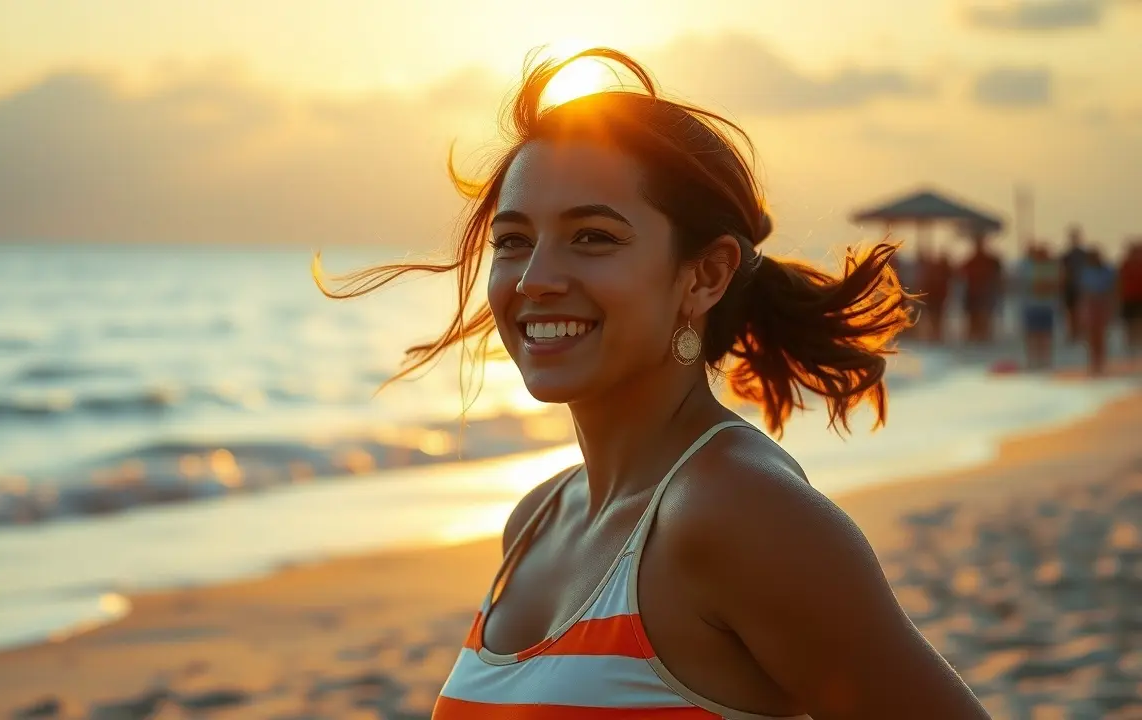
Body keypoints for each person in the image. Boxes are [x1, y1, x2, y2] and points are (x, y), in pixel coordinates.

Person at [316, 48, 989, 719]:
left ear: (705, 275)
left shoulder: (740, 512)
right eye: (514, 241)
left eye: (592, 238)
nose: (534, 278)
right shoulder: (536, 520)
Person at [1014, 243, 1061, 369]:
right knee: (1032, 334)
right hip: (1032, 306)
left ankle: (1044, 360)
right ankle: (1032, 360)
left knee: (1044, 334)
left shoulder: (1051, 267)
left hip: (1045, 306)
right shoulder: (1028, 267)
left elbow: (1055, 284)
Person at [1078, 248, 1116, 375]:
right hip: (1090, 304)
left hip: (1102, 303)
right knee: (1091, 336)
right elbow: (1084, 291)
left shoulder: (1106, 271)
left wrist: (1111, 305)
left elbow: (1112, 288)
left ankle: (1101, 362)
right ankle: (1094, 363)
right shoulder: (1086, 272)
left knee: (1101, 335)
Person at [1060, 225, 1091, 343]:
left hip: (1081, 286)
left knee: (1080, 311)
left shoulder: (1084, 254)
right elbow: (1063, 271)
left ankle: (1078, 333)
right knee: (1071, 312)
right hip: (1070, 286)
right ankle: (1073, 333)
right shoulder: (1067, 255)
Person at [1120, 241, 1142, 356]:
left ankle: (1138, 346)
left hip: (1139, 299)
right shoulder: (1126, 264)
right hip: (1128, 298)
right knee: (1129, 323)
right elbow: (1119, 282)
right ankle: (1131, 346)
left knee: (1139, 322)